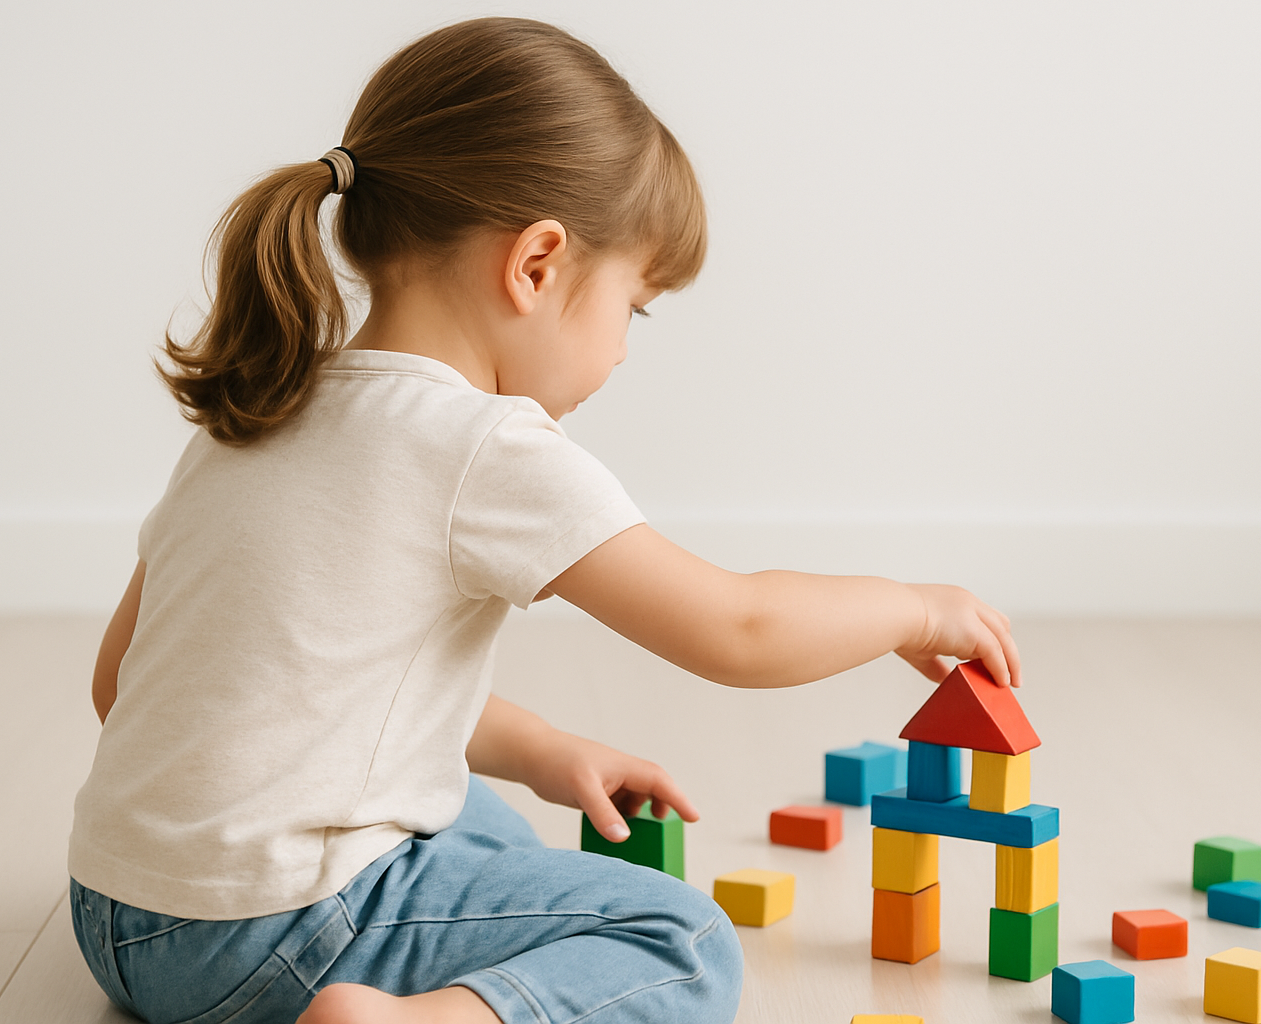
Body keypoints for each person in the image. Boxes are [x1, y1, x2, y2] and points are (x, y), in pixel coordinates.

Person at [67, 16, 1021, 1024]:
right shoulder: (484, 446)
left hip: (115, 920)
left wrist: (542, 749)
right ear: (538, 264)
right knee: (682, 939)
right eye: (634, 307)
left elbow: (144, 684)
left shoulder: (262, 406)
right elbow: (737, 628)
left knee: (468, 810)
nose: (620, 351)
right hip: (275, 937)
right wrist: (917, 609)